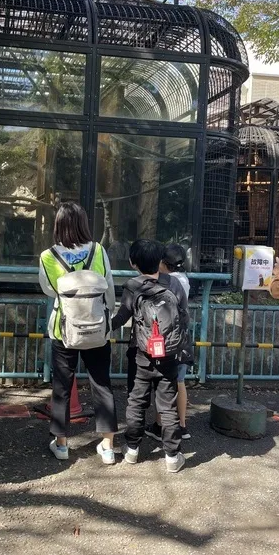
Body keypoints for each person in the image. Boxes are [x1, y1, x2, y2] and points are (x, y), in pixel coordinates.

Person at [39, 202, 118, 464]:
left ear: (58, 224)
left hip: (64, 330)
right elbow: (109, 288)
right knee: (101, 384)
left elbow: (50, 291)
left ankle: (61, 444)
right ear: (84, 223)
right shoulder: (98, 250)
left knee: (62, 386)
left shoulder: (48, 256)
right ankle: (107, 446)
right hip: (98, 328)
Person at [112, 239, 189, 473]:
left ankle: (133, 450)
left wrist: (102, 325)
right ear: (160, 262)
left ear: (132, 263)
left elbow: (121, 318)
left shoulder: (133, 286)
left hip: (141, 353)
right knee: (166, 405)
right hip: (170, 355)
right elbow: (184, 317)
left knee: (136, 401)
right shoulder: (174, 284)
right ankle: (172, 457)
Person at [145, 243, 192, 441]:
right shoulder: (184, 279)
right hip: (182, 337)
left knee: (163, 382)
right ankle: (181, 425)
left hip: (166, 338)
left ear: (163, 263)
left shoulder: (167, 281)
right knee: (179, 382)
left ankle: (160, 425)